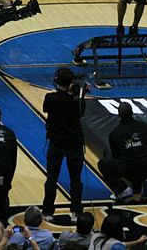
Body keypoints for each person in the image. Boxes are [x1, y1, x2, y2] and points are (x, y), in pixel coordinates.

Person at [42, 68, 88, 221]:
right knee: (75, 178)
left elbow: (46, 109)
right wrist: (80, 94)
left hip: (56, 142)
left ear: (56, 81)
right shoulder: (77, 101)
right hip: (74, 143)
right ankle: (76, 211)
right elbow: (80, 112)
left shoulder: (50, 98)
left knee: (51, 178)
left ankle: (47, 211)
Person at [98, 102, 147, 203]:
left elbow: (116, 156)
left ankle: (122, 190)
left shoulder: (115, 133)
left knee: (103, 163)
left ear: (119, 115)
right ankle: (146, 179)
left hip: (130, 169)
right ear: (132, 112)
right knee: (142, 163)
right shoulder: (146, 126)